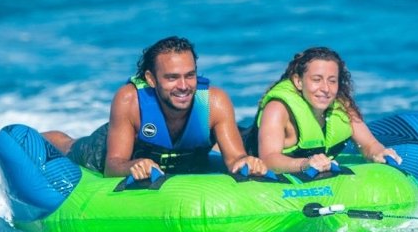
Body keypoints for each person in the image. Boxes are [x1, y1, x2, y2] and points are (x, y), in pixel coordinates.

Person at [44, 36, 267, 181]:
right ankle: (41, 138)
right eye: (172, 78)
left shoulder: (214, 102)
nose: (183, 86)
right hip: (108, 149)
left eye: (190, 75)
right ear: (151, 79)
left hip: (182, 159)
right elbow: (113, 166)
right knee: (70, 147)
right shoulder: (129, 100)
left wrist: (245, 161)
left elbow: (235, 158)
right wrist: (133, 165)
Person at [251, 46, 401, 175]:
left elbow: (369, 145)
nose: (326, 89)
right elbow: (269, 159)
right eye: (316, 80)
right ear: (298, 81)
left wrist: (379, 153)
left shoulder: (342, 108)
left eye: (332, 81)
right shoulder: (278, 109)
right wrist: (305, 164)